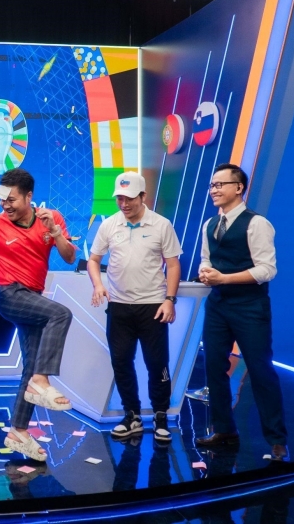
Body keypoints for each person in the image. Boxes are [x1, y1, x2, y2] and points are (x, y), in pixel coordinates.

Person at [0, 168, 76, 462]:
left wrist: (55, 232)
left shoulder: (51, 218)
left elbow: (69, 257)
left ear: (29, 197)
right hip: (9, 294)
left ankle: (18, 431)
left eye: (12, 200)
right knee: (61, 314)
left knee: (30, 366)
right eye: (3, 200)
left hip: (33, 297)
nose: (6, 205)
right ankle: (42, 381)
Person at [197, 163, 288, 462]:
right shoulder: (210, 224)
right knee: (214, 367)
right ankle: (224, 430)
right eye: (212, 185)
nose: (214, 190)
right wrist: (206, 272)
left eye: (220, 184)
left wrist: (225, 278)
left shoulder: (257, 223)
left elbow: (267, 270)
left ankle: (277, 441)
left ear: (239, 188)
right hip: (218, 305)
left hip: (249, 307)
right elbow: (207, 259)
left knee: (260, 371)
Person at [87, 172, 183, 443]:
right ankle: (132, 415)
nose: (124, 204)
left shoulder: (161, 225)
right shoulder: (109, 225)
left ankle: (161, 416)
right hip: (118, 307)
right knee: (121, 362)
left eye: (129, 198)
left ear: (143, 196)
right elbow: (93, 260)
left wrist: (170, 299)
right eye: (119, 198)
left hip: (152, 306)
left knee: (157, 363)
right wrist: (98, 285)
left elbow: (173, 264)